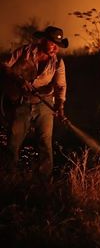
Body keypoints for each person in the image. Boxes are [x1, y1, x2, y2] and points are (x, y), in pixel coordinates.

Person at [0, 26, 68, 178]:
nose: (55, 48)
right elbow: (4, 66)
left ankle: (44, 180)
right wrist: (18, 80)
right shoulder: (25, 52)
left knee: (45, 143)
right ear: (43, 40)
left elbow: (60, 86)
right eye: (52, 43)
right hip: (22, 102)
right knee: (13, 141)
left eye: (57, 45)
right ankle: (9, 177)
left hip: (44, 104)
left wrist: (60, 107)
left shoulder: (58, 62)